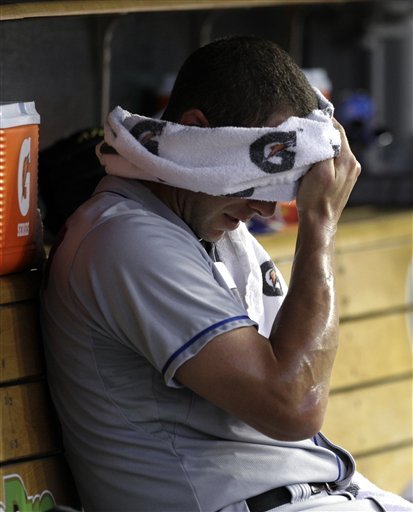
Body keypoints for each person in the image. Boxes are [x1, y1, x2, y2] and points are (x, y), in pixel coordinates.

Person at [40, 36, 412, 512]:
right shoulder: (125, 240)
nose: (266, 206)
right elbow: (294, 405)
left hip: (329, 493)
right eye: (261, 170)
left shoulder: (210, 226)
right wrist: (319, 223)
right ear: (198, 133)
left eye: (286, 179)